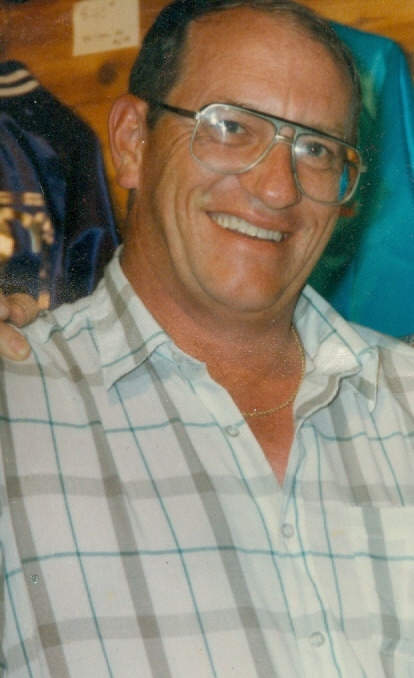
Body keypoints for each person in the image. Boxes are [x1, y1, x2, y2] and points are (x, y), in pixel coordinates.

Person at [0, 1, 413, 676]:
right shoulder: (16, 408)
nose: (277, 189)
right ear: (132, 142)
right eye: (232, 126)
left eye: (315, 149)